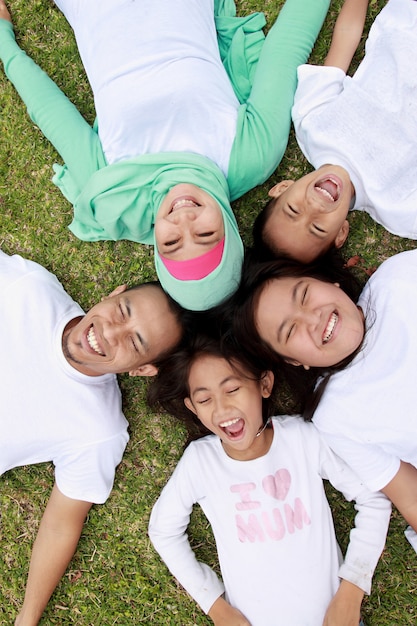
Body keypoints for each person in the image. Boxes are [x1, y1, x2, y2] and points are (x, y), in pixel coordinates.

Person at [0, 0, 331, 310]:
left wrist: (4, 42)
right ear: (229, 231)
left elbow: (51, 111)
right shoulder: (250, 157)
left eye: (171, 242)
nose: (183, 221)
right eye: (204, 235)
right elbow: (285, 50)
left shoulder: (113, 193)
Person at [147, 335, 390, 626]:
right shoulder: (201, 462)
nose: (221, 409)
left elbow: (373, 498)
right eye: (204, 399)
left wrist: (352, 590)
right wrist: (216, 608)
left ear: (264, 384)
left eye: (233, 389)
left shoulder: (302, 439)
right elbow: (163, 531)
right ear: (192, 407)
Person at [0, 247, 184, 626]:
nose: (109, 332)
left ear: (143, 369)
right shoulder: (29, 288)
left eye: (135, 343)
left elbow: (60, 523)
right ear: (113, 294)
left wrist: (26, 618)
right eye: (123, 311)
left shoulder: (100, 430)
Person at [231, 248, 417, 555]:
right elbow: (408, 494)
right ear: (293, 360)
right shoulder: (334, 415)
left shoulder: (398, 278)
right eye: (290, 331)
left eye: (304, 295)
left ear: (330, 282)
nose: (312, 319)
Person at [253, 0, 417, 264]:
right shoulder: (398, 209)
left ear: (282, 188)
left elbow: (345, 39)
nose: (314, 209)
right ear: (341, 233)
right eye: (318, 228)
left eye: (294, 209)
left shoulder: (311, 123)